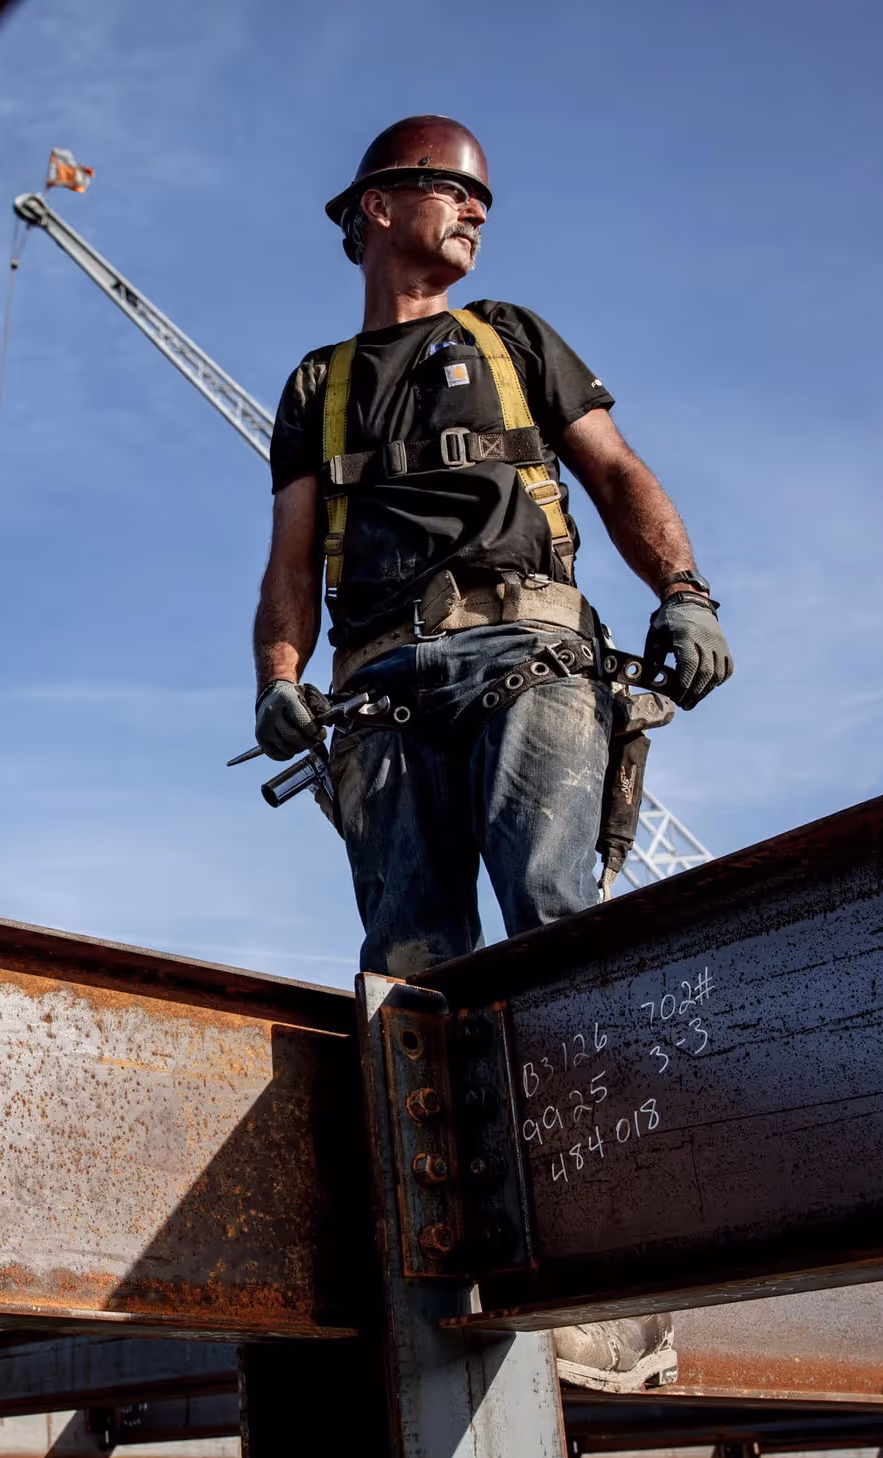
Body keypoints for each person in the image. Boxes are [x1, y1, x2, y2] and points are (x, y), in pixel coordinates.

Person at [251, 115, 733, 979]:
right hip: (378, 689)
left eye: (484, 200)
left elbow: (617, 473)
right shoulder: (317, 385)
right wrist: (277, 683)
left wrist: (684, 591)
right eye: (456, 190)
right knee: (408, 964)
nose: (477, 211)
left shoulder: (508, 337)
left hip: (530, 657)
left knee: (552, 919)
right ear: (381, 206)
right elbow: (290, 559)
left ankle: (590, 1113)